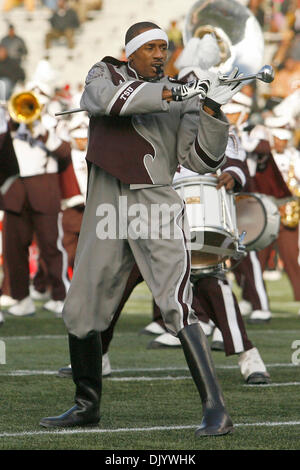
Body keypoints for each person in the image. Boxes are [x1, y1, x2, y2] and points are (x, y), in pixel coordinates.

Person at [40, 21, 245, 436]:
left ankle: (216, 409)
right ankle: (86, 404)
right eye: (150, 47)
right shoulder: (105, 72)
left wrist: (211, 110)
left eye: (163, 48)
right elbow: (111, 102)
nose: (158, 54)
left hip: (154, 201)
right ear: (130, 51)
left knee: (175, 301)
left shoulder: (181, 94)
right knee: (80, 309)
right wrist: (179, 91)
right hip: (105, 202)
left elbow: (202, 161)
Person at [0, 87, 72, 317]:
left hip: (44, 190)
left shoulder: (50, 127)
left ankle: (60, 296)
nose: (27, 110)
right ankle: (21, 298)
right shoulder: (8, 130)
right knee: (14, 249)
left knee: (52, 246)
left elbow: (64, 153)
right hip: (15, 192)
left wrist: (42, 131)